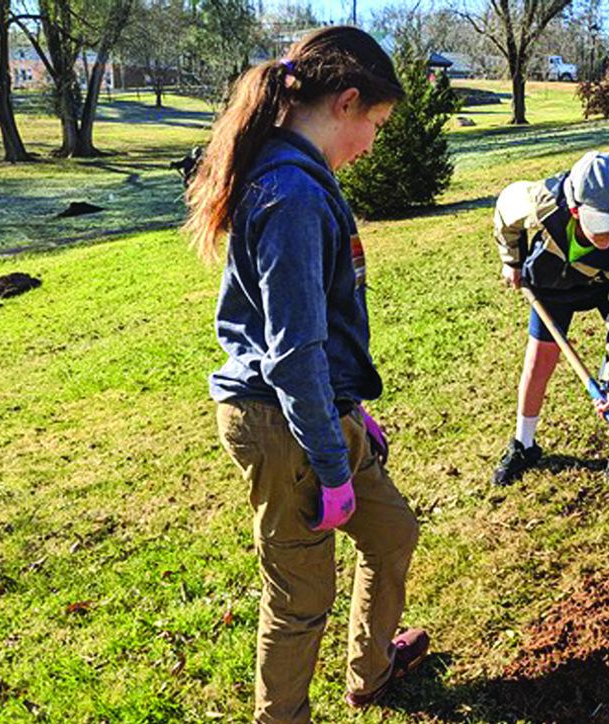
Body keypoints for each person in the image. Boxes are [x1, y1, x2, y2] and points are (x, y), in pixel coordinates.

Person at [183, 27, 427, 721]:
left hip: (315, 407)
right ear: (346, 103)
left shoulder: (297, 179)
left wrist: (349, 409)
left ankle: (372, 672)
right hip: (281, 421)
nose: (374, 143)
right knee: (300, 597)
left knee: (392, 534)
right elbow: (290, 355)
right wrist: (332, 464)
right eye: (376, 124)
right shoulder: (290, 194)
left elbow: (309, 335)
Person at [490, 151, 609, 511]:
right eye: (603, 224)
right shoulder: (542, 202)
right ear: (577, 210)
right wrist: (512, 260)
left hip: (608, 285)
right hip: (552, 282)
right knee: (539, 359)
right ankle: (525, 444)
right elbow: (505, 210)